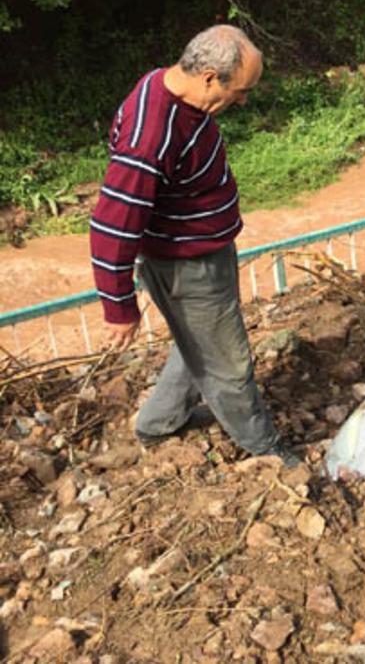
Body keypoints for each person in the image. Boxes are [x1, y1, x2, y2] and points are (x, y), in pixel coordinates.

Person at [89, 25, 299, 467]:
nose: (243, 100)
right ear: (208, 76)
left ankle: (157, 423)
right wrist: (118, 306)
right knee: (229, 365)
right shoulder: (150, 136)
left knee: (198, 344)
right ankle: (266, 449)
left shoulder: (167, 87)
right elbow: (113, 222)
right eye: (240, 91)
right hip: (189, 267)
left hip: (202, 254)